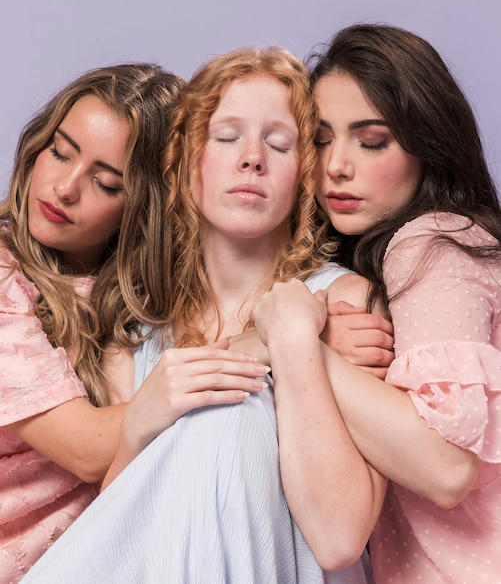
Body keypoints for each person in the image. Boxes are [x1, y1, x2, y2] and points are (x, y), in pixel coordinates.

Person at [21, 46, 391, 584]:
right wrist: (137, 426)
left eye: (279, 144)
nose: (251, 158)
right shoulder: (134, 331)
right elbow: (121, 531)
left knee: (226, 413)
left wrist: (295, 344)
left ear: (305, 175)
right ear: (185, 163)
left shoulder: (345, 302)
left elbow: (338, 541)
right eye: (225, 137)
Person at [250, 23, 501, 583]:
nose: (336, 164)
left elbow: (446, 467)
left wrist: (298, 344)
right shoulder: (372, 262)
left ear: (428, 147)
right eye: (319, 138)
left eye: (372, 141)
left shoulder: (431, 242)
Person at [0, 63, 184, 582]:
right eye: (59, 151)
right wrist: (261, 341)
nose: (64, 188)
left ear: (142, 208)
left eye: (105, 183)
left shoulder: (150, 300)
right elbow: (85, 450)